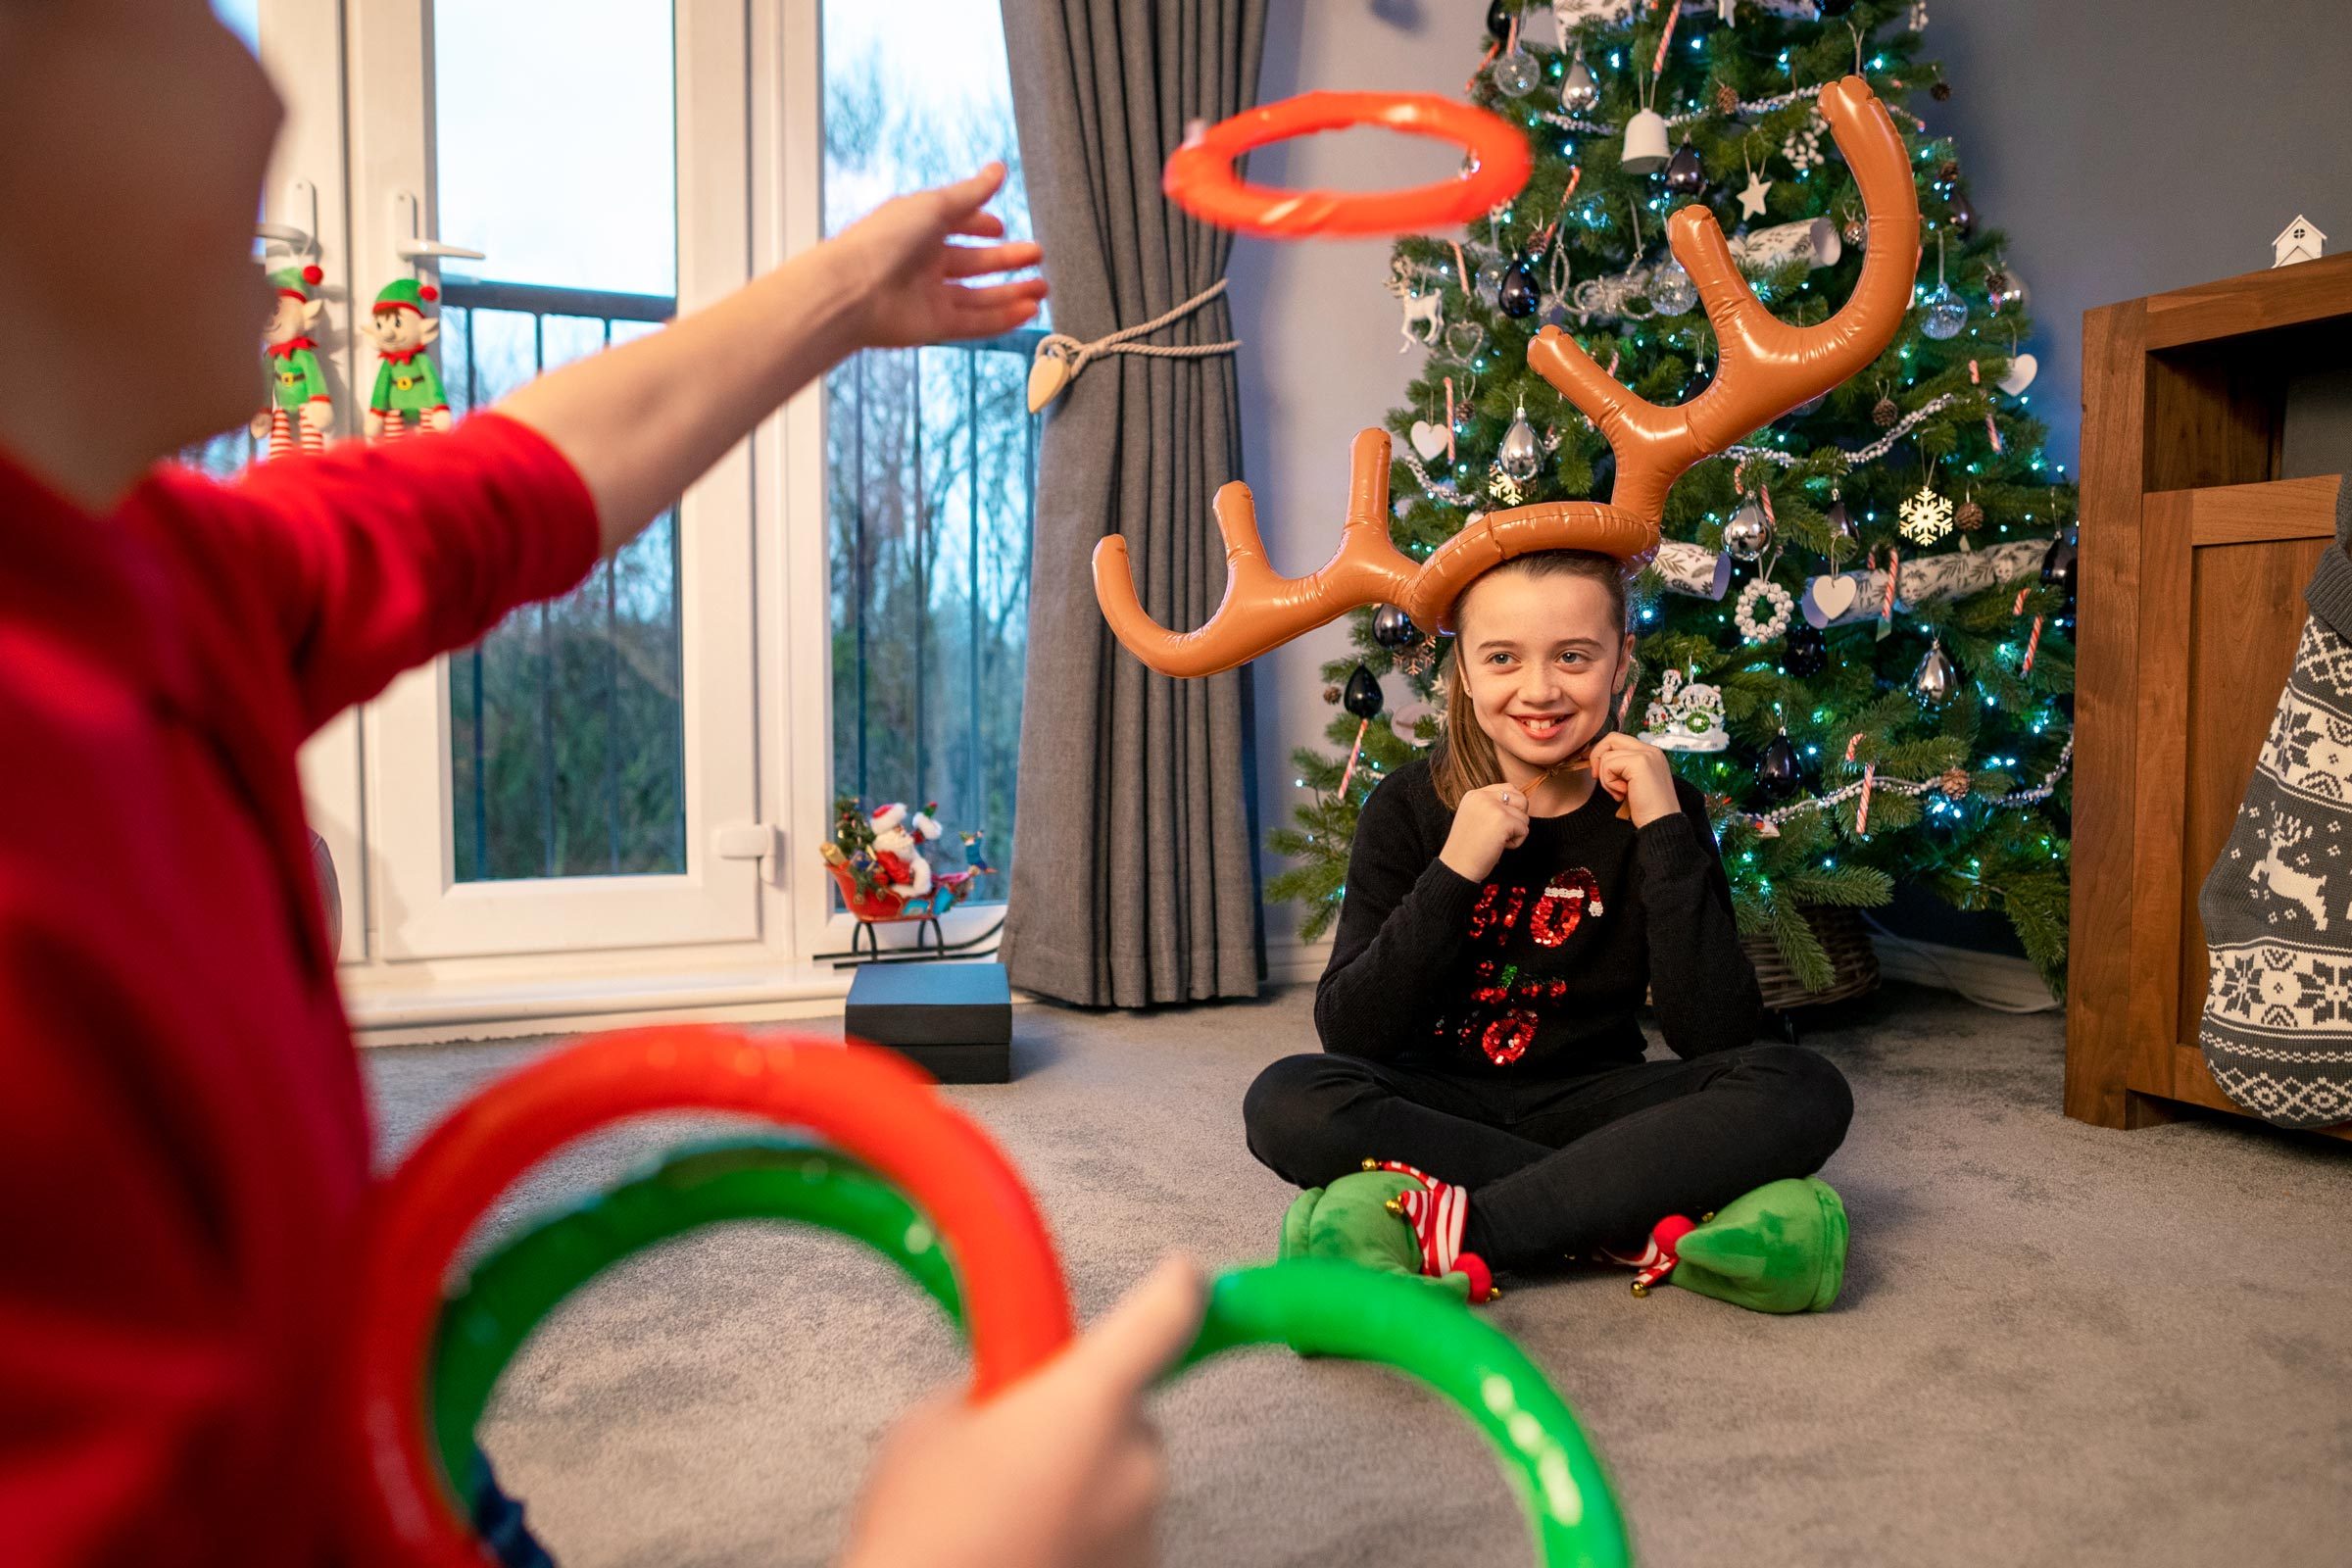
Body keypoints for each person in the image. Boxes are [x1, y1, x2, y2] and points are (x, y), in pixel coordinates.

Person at [0, 2, 1197, 1564]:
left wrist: (847, 290)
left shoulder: (141, 569)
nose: (261, 85)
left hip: (361, 1431)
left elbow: (510, 485)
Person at [1243, 550, 1852, 1292]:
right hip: (1434, 1105)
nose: (1540, 690)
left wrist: (1662, 827)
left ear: (1621, 662)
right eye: (1502, 658)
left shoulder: (1669, 807)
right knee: (1288, 1101)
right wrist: (1455, 870)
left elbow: (1715, 1038)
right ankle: (1620, 1215)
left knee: (1803, 1087)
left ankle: (1477, 1228)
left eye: (1573, 656)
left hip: (1601, 1105)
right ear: (1463, 672)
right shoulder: (1405, 806)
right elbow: (1352, 1033)